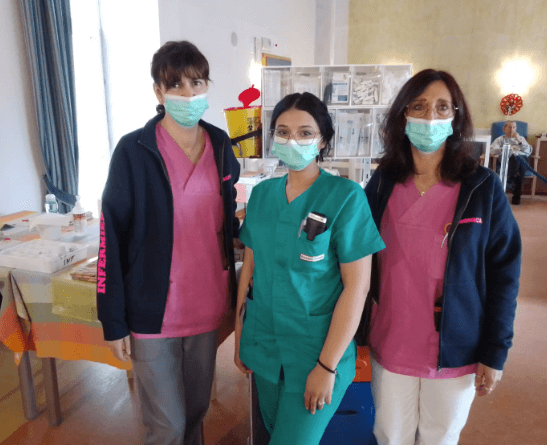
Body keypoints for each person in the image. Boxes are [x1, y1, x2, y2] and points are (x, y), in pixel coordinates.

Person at [362, 69, 522, 445]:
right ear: (403, 115)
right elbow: (356, 255)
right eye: (418, 106)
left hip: (456, 345)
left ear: (456, 117)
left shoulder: (481, 188)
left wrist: (495, 351)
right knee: (390, 436)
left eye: (442, 107)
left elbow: (505, 275)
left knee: (440, 438)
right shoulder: (383, 182)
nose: (430, 117)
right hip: (392, 339)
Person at [96, 40, 240, 445]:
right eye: (175, 85)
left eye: (196, 83)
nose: (188, 94)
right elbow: (111, 236)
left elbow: (226, 219)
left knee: (195, 414)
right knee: (167, 427)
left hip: (206, 305)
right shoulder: (134, 151)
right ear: (158, 92)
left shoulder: (220, 146)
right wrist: (113, 320)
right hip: (152, 311)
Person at [234, 92, 384, 444]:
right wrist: (240, 337)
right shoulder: (262, 195)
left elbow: (357, 288)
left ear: (323, 140)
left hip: (315, 352)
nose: (292, 141)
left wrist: (327, 366)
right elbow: (250, 270)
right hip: (263, 347)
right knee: (275, 432)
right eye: (283, 132)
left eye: (304, 133)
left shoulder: (346, 197)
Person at [490, 120, 533, 204]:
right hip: (508, 160)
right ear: (504, 129)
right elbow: (492, 150)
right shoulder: (500, 139)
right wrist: (506, 149)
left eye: (514, 127)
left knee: (519, 161)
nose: (512, 129)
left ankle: (512, 181)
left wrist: (519, 141)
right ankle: (516, 196)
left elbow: (528, 150)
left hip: (522, 159)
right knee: (516, 160)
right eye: (509, 127)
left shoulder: (521, 138)